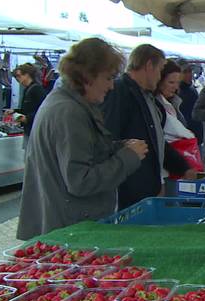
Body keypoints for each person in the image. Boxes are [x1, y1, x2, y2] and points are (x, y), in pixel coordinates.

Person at [17, 38, 148, 239]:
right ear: (88, 76)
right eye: (108, 78)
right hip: (70, 231)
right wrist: (128, 157)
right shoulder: (69, 112)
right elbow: (81, 181)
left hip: (66, 225)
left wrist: (119, 147)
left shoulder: (68, 104)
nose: (112, 86)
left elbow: (85, 151)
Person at [102, 44, 194, 209]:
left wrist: (182, 167)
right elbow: (109, 139)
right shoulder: (120, 92)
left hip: (146, 189)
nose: (160, 76)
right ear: (149, 66)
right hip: (129, 191)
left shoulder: (147, 97)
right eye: (159, 70)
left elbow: (155, 141)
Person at [156, 60, 201, 194]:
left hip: (177, 166)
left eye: (177, 83)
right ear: (159, 80)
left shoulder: (172, 103)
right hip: (167, 169)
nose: (175, 87)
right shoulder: (156, 106)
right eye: (171, 82)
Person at [7, 63, 47, 146]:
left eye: (19, 75)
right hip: (29, 129)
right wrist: (14, 111)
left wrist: (28, 118)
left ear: (27, 75)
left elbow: (45, 110)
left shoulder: (37, 89)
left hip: (36, 130)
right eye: (16, 77)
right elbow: (27, 109)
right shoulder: (27, 89)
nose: (17, 79)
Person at [178, 64, 203, 144]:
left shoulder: (191, 89)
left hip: (196, 135)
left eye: (190, 71)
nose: (189, 74)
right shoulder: (176, 92)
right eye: (185, 72)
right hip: (185, 137)